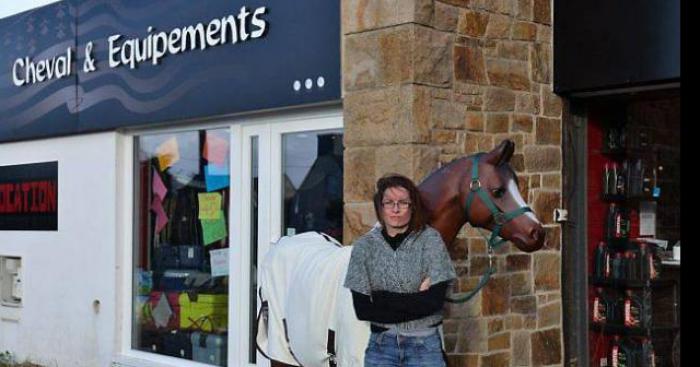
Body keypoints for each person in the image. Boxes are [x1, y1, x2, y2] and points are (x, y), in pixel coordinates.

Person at [343, 174, 457, 367]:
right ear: (380, 207)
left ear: (413, 207)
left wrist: (383, 299)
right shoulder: (364, 248)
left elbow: (434, 302)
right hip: (382, 349)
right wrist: (417, 300)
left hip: (425, 348)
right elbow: (363, 310)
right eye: (389, 203)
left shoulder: (431, 241)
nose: (395, 209)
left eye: (403, 203)